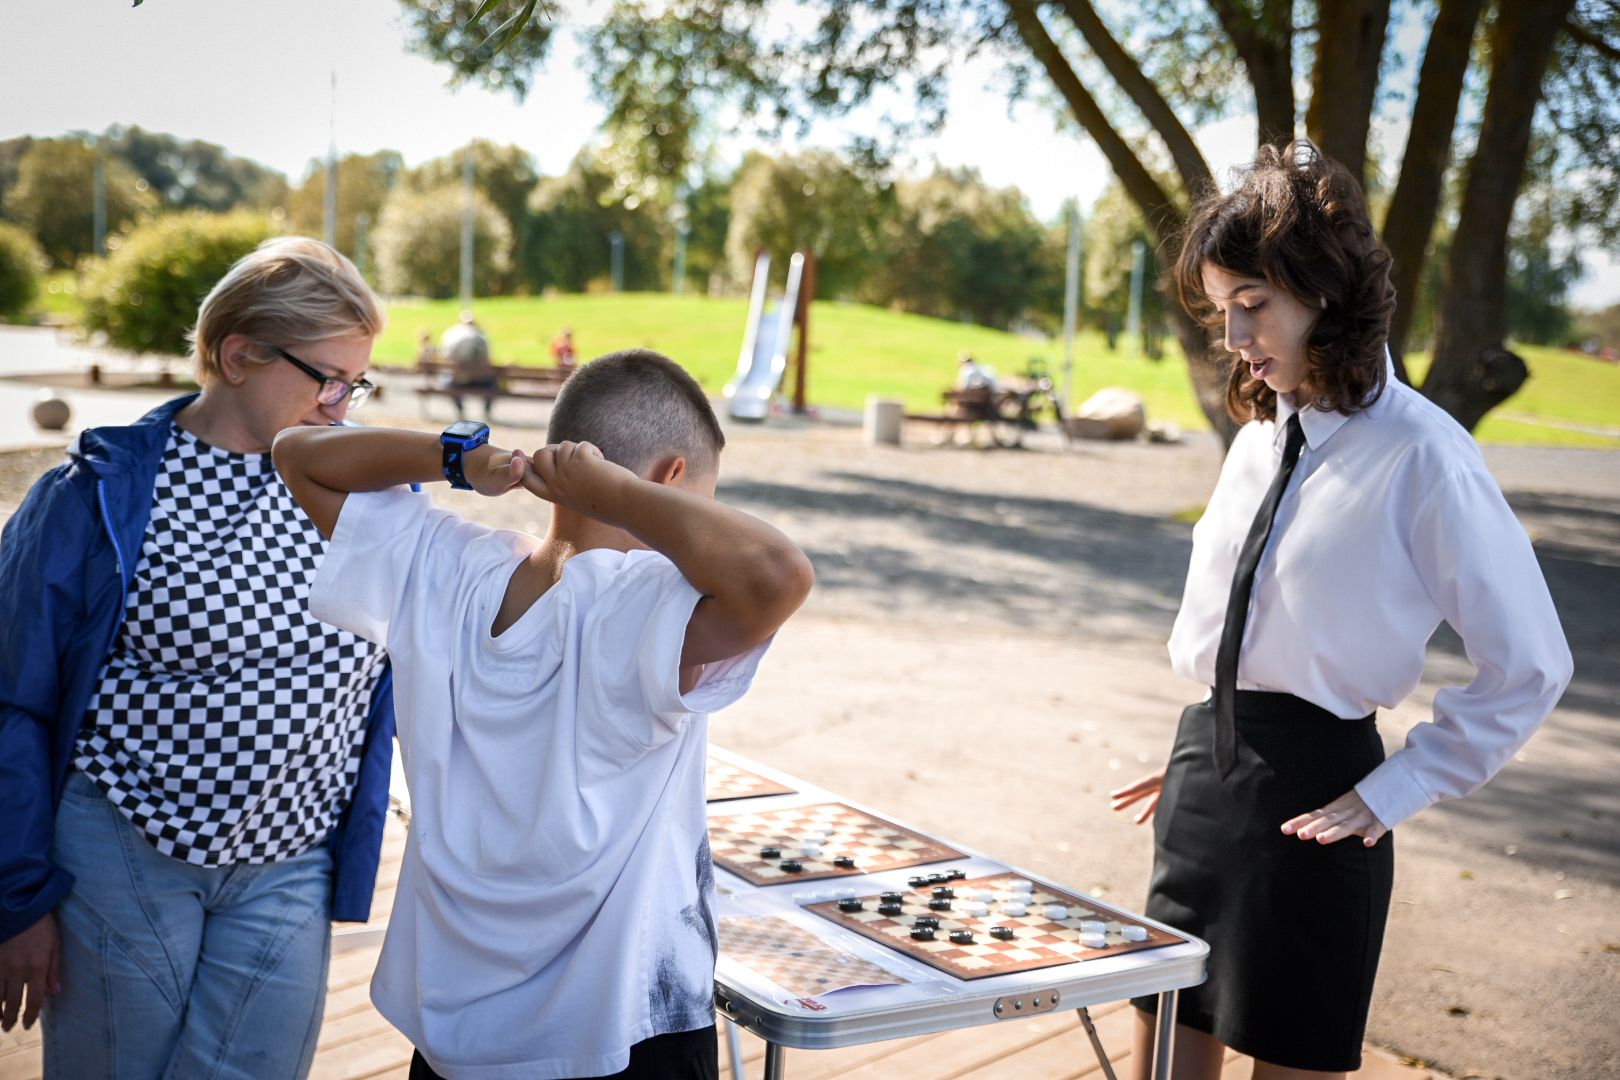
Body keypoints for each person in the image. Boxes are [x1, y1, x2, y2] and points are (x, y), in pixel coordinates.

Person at [1109, 141, 1572, 1080]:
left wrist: (1401, 786)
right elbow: (1245, 627)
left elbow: (1531, 662)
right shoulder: (1255, 441)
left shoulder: (1425, 457)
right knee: (1163, 1052)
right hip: (1204, 776)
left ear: (1324, 293)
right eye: (1220, 310)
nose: (1233, 338)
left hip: (1323, 804)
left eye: (1254, 307)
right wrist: (1210, 752)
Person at [272, 349, 815, 1079]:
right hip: (615, 1038)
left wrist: (458, 459)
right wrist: (621, 496)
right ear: (669, 480)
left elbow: (298, 454)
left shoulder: (446, 567)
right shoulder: (642, 600)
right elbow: (778, 573)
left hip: (454, 1039)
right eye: (700, 504)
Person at [0, 236, 397, 1077]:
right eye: (326, 377)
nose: (341, 404)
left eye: (356, 382)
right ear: (237, 354)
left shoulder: (369, 486)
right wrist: (17, 898)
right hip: (119, 852)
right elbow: (13, 698)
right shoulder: (93, 491)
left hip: (292, 860)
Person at [439, 310, 498, 421]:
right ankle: (486, 412)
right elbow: (487, 359)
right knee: (493, 383)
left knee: (445, 379)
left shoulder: (451, 334)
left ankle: (460, 410)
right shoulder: (480, 336)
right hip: (479, 380)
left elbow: (444, 356)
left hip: (456, 380)